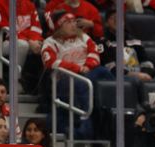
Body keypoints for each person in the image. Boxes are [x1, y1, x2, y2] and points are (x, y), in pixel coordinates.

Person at [41, 11, 113, 139]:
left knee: (104, 72)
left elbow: (94, 53)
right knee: (81, 83)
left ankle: (113, 114)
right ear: (59, 26)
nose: (73, 25)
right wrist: (78, 68)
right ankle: (86, 125)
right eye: (68, 22)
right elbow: (51, 63)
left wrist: (87, 66)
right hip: (64, 79)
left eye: (74, 21)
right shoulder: (50, 42)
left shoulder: (83, 37)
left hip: (88, 71)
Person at [99, 6, 155, 84]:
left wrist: (146, 74)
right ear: (106, 23)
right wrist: (134, 75)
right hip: (119, 79)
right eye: (113, 18)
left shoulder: (134, 40)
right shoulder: (103, 42)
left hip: (141, 75)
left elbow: (145, 62)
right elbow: (110, 67)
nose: (117, 20)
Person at [0, 0, 43, 75]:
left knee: (47, 44)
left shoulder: (28, 4)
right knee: (22, 45)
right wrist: (28, 40)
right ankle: (15, 79)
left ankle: (43, 84)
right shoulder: (0, 3)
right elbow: (5, 31)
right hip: (4, 42)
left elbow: (36, 27)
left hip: (29, 40)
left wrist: (34, 40)